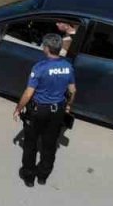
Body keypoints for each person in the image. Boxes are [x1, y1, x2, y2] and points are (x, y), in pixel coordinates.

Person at [13, 33, 77, 187]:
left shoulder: (40, 67)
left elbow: (29, 92)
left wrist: (18, 108)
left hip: (38, 111)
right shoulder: (68, 66)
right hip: (58, 110)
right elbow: (73, 90)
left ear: (46, 48)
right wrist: (68, 105)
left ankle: (29, 176)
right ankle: (43, 176)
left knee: (31, 144)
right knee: (49, 145)